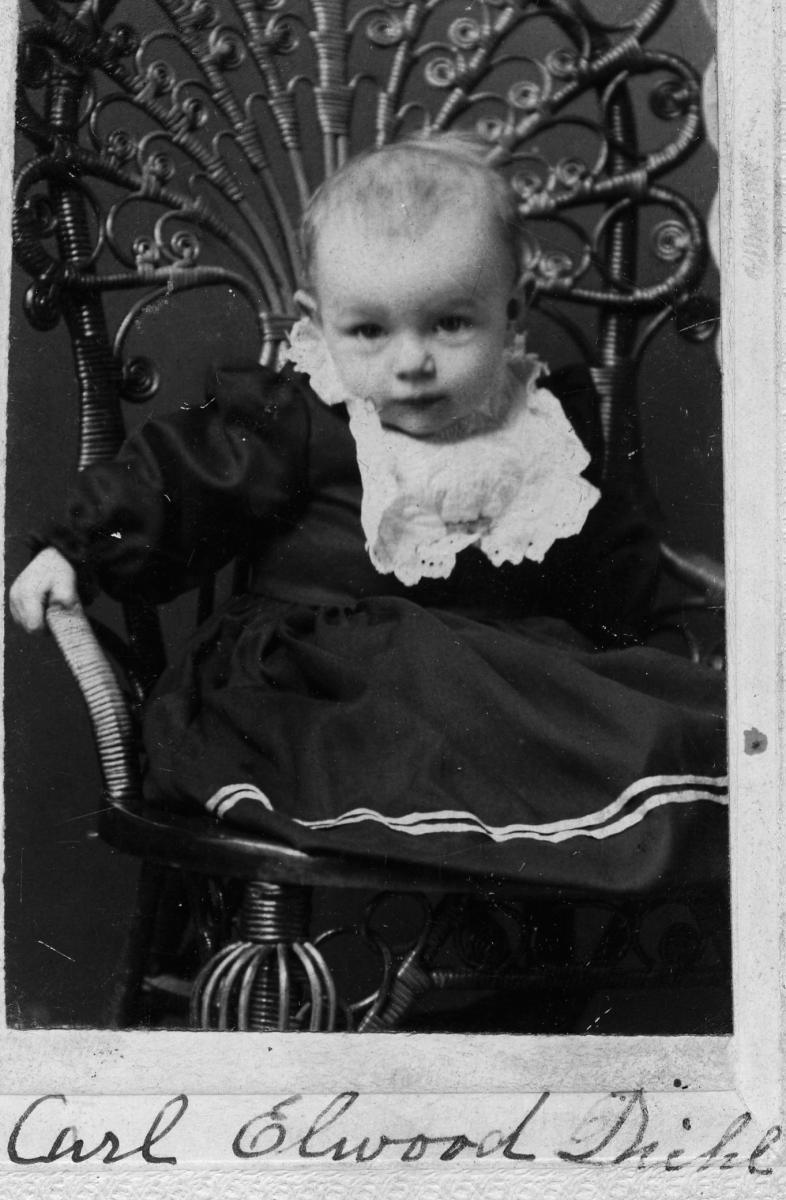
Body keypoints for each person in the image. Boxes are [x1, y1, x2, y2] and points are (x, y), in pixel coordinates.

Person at [9, 134, 728, 890]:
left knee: (643, 731)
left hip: (496, 680)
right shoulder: (303, 413)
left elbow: (608, 558)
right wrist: (77, 548)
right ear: (317, 322)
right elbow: (183, 480)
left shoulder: (541, 426)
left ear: (513, 308)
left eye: (450, 323)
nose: (411, 362)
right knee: (425, 724)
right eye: (370, 331)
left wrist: (668, 628)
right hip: (329, 685)